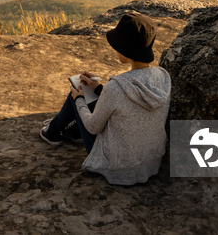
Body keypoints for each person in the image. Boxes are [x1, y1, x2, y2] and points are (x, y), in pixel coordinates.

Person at [39, 12, 171, 186]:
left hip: (116, 166)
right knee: (89, 90)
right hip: (150, 163)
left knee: (77, 90)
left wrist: (79, 98)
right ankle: (73, 131)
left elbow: (94, 128)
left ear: (124, 48)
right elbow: (128, 102)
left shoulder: (116, 86)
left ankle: (53, 132)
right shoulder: (163, 77)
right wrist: (99, 89)